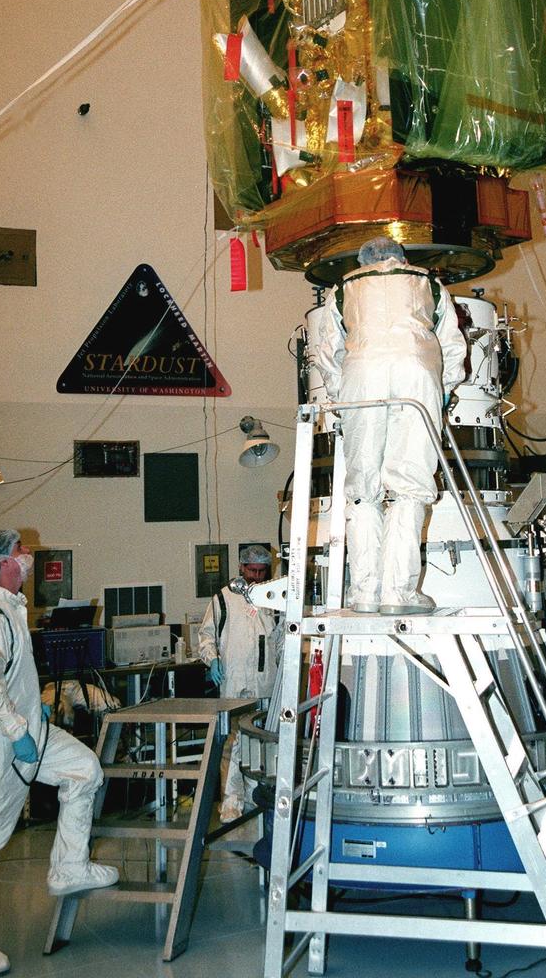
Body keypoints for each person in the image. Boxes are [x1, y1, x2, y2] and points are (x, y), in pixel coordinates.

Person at [0, 530, 117, 977]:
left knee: (84, 769)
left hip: (29, 734)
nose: (27, 558)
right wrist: (14, 728)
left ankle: (68, 867)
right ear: (2, 563)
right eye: (20, 552)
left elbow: (8, 675)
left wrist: (31, 709)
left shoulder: (11, 609)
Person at [313, 235, 467, 615]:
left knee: (363, 489)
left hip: (361, 379)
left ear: (365, 261)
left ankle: (365, 592)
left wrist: (342, 395)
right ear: (401, 257)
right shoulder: (428, 283)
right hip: (416, 377)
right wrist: (442, 391)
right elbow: (452, 345)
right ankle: (399, 594)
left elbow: (326, 351)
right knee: (409, 487)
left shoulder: (344, 288)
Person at [197, 545, 280, 822]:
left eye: (261, 571)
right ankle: (231, 802)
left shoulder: (272, 599)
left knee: (261, 742)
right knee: (233, 744)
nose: (256, 576)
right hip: (234, 683)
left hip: (265, 684)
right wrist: (212, 660)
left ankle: (258, 797)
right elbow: (206, 636)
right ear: (241, 568)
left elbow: (278, 639)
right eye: (251, 570)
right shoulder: (223, 599)